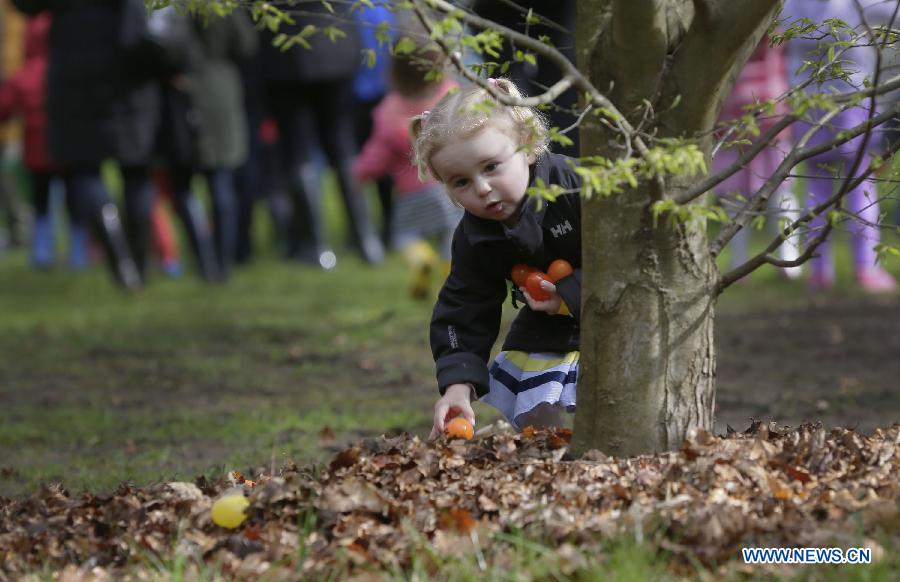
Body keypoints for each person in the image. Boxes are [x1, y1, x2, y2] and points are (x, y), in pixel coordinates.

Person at [411, 78, 583, 438]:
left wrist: (572, 291)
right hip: (548, 327)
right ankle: (554, 462)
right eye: (461, 182)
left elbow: (632, 259)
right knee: (535, 401)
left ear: (529, 145)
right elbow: (464, 304)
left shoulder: (576, 187)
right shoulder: (476, 235)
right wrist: (458, 385)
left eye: (491, 167)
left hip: (613, 312)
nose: (482, 188)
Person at [783, 0, 897, 292]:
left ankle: (820, 270)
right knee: (859, 185)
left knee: (816, 190)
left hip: (807, 103)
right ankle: (866, 268)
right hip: (851, 99)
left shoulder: (791, 3)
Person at [353, 40, 462, 299]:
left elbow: (378, 153)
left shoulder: (388, 110)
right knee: (452, 235)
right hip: (445, 188)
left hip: (411, 195)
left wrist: (361, 171)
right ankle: (448, 279)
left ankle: (419, 259)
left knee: (404, 236)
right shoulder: (449, 98)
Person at [713, 36, 802, 279]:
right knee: (755, 196)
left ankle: (779, 261)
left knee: (769, 194)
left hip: (748, 117)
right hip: (754, 114)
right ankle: (761, 262)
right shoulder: (770, 22)